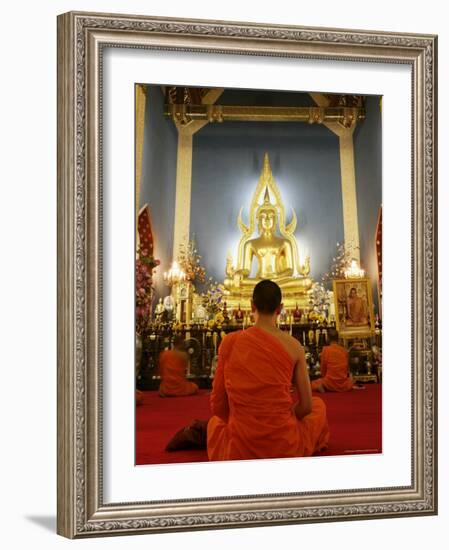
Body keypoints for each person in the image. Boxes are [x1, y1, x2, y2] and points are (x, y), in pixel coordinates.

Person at [207, 280, 329, 461]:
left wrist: (243, 420)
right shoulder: (294, 346)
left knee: (214, 423)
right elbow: (306, 406)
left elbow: (218, 405)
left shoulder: (230, 342)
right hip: (284, 444)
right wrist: (280, 419)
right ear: (280, 308)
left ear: (251, 306)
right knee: (318, 406)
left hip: (240, 444)